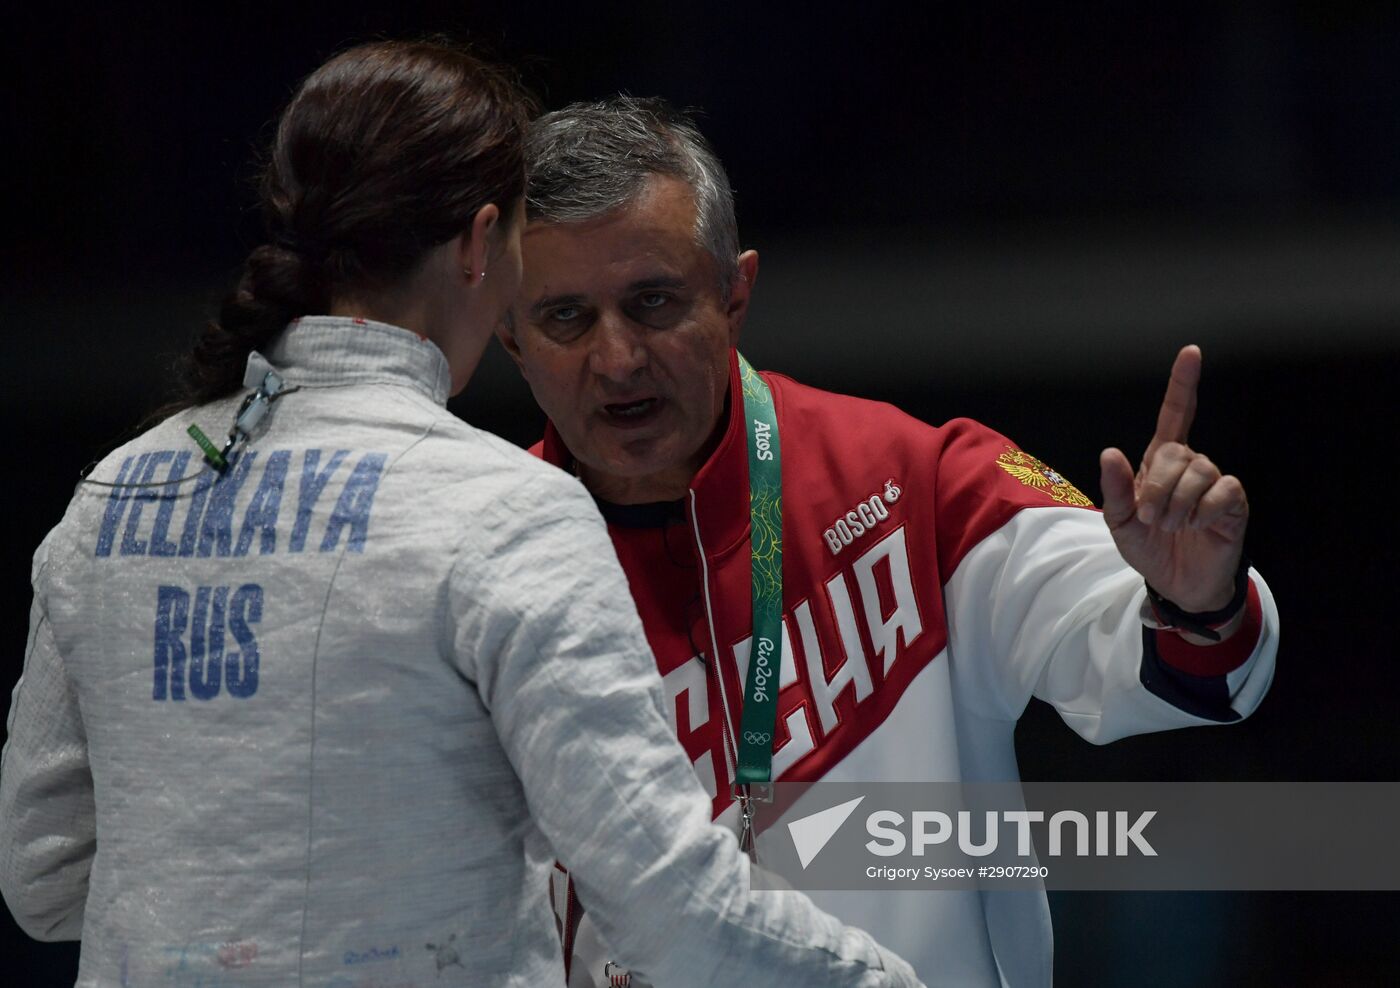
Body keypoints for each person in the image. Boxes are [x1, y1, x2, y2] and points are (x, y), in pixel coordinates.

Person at [0, 45, 925, 988]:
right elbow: (673, 913)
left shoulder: (113, 500)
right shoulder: (505, 515)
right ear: (484, 243)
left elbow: (45, 878)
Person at [497, 97, 1280, 987]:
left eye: (653, 302)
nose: (618, 358)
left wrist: (1193, 597)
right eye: (566, 318)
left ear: (734, 295)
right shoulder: (476, 566)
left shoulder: (910, 480)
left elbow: (1155, 658)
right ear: (510, 337)